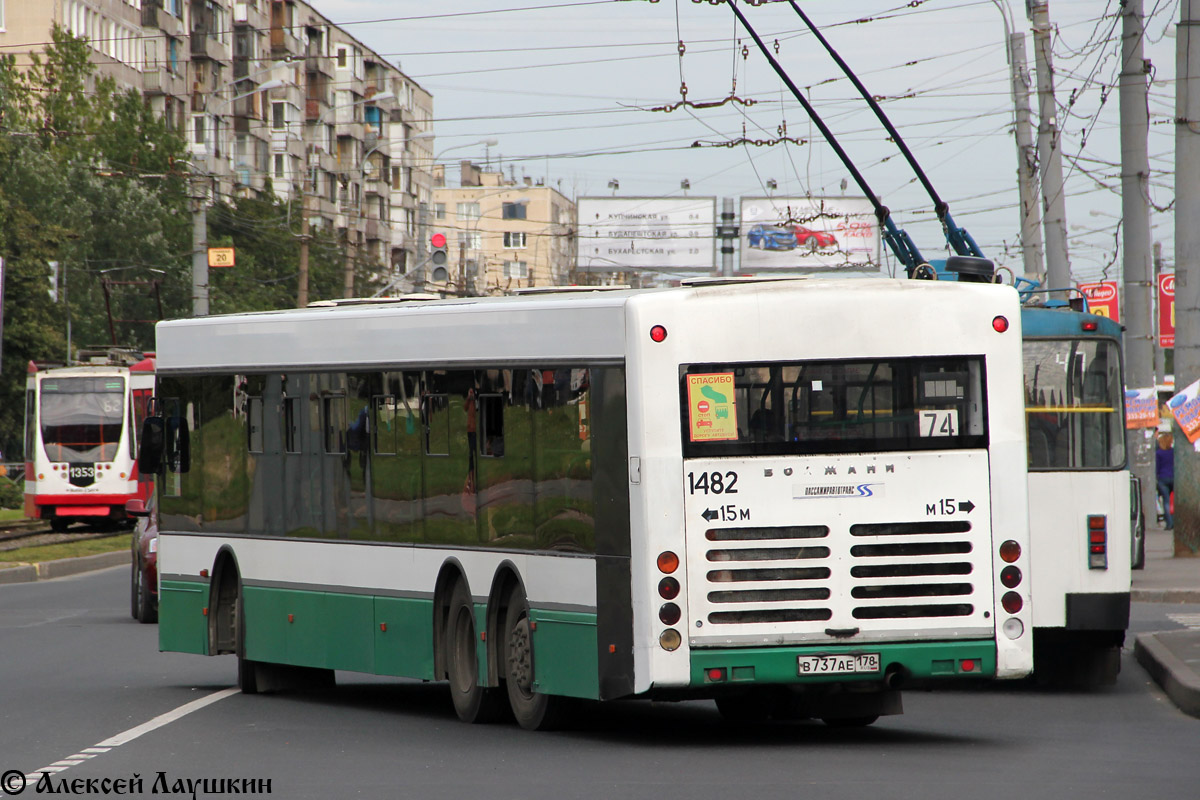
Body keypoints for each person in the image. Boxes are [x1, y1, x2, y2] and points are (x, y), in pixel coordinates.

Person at [1156, 432, 1174, 530]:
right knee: (1174, 501)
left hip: (1163, 478)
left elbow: (1157, 467)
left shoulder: (1158, 453)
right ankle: (1176, 522)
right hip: (1174, 477)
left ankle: (1169, 524)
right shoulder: (1173, 452)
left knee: (1166, 502)